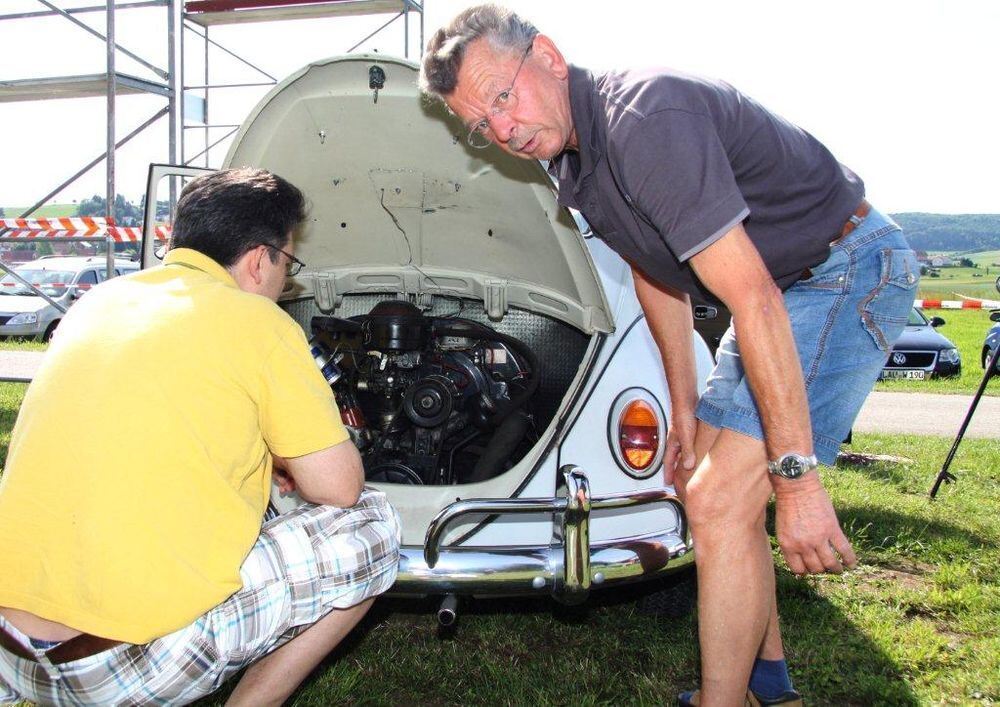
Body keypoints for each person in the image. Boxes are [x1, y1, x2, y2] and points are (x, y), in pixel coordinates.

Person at [419, 6, 918, 706]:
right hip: (779, 289)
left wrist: (797, 482)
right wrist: (683, 408)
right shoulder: (574, 160)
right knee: (697, 481)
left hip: (842, 269)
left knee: (720, 497)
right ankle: (767, 681)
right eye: (480, 125)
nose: (501, 130)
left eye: (502, 96)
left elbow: (756, 302)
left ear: (549, 56)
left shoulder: (644, 119)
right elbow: (657, 274)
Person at [0, 168, 400, 706]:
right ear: (262, 259)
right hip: (115, 669)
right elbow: (340, 489)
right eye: (289, 262)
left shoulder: (99, 302)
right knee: (372, 525)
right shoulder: (259, 322)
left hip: (14, 654)